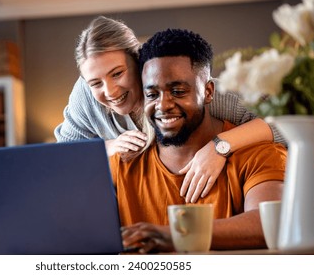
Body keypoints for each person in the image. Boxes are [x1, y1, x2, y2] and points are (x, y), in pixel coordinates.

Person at [54, 16, 286, 203]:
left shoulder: (196, 94)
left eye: (117, 73)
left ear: (139, 64)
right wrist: (107, 147)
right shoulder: (86, 95)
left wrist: (219, 147)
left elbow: (287, 121)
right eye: (95, 82)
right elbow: (62, 157)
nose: (111, 91)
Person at [110, 28, 287, 253]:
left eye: (178, 91)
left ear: (209, 91)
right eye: (152, 95)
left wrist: (172, 234)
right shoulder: (122, 165)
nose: (163, 105)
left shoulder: (259, 154)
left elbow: (269, 224)